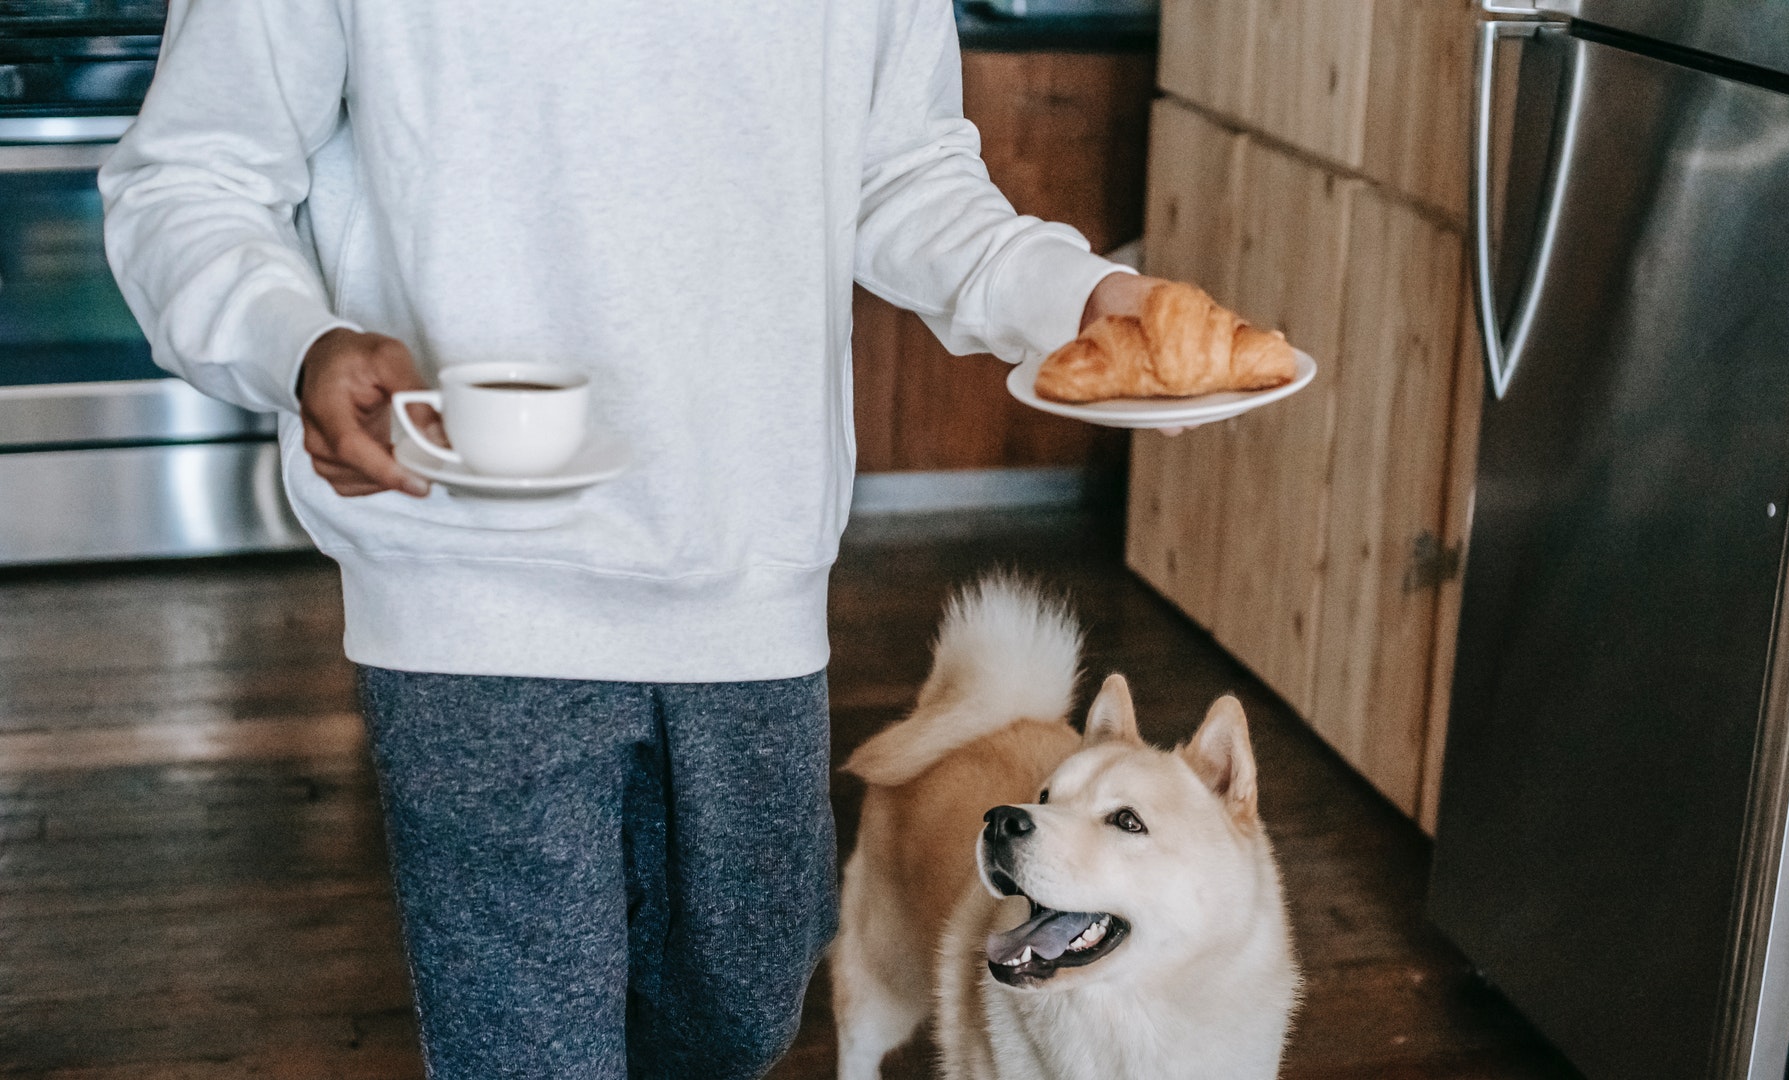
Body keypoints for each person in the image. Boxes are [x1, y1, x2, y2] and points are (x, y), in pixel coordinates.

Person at [100, 1, 1160, 1076]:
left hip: (751, 574)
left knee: (740, 1018)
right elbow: (189, 178)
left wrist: (1082, 297)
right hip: (471, 584)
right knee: (530, 1054)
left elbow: (899, 174)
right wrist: (293, 342)